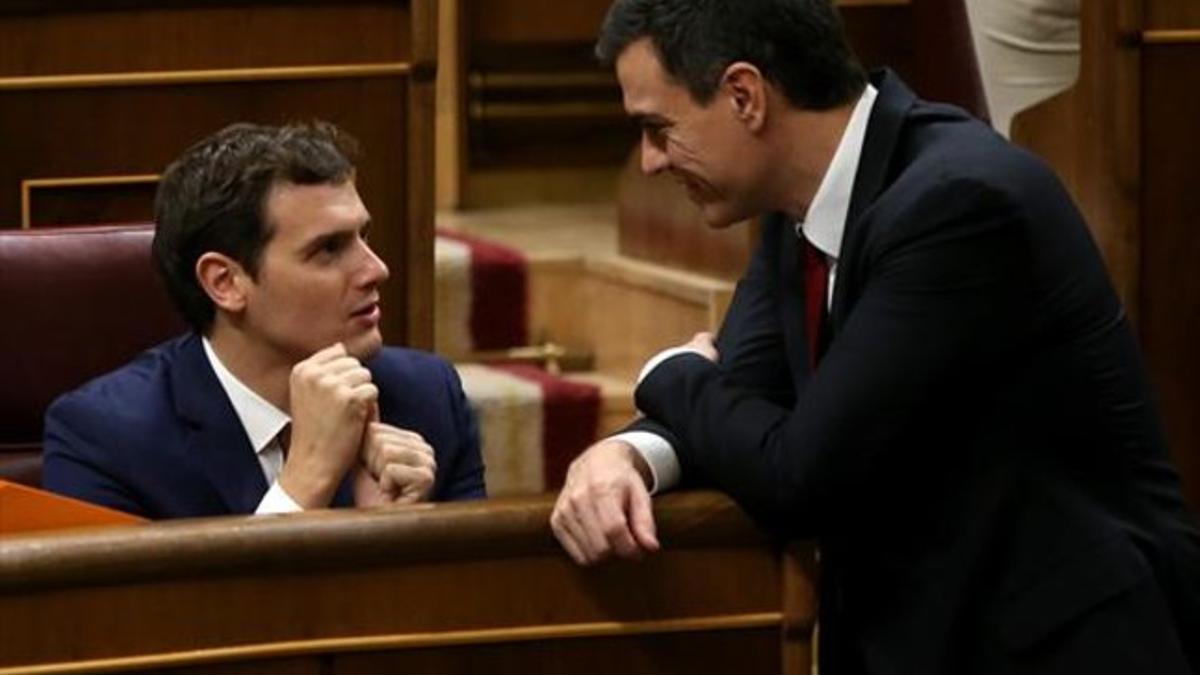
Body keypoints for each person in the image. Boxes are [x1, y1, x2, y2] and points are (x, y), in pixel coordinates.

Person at [549, 1, 1200, 673]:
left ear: (745, 95)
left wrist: (666, 372)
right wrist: (635, 450)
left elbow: (798, 474)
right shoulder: (794, 209)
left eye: (658, 128)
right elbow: (736, 396)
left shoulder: (959, 203)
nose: (650, 162)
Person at [44, 122, 485, 518]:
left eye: (363, 237)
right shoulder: (106, 439)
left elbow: (483, 602)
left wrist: (397, 535)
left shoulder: (427, 397)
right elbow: (121, 612)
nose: (376, 270)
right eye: (329, 249)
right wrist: (303, 486)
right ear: (226, 283)